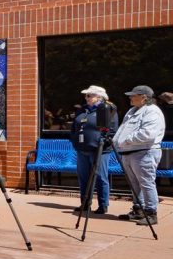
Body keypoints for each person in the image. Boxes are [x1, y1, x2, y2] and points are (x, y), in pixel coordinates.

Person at [113, 85, 166, 225]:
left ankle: (151, 213)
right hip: (129, 152)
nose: (130, 97)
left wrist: (125, 141)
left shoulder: (152, 111)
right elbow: (122, 129)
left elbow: (147, 134)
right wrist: (116, 141)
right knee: (134, 184)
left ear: (144, 97)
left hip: (144, 153)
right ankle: (138, 210)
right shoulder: (133, 110)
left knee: (146, 183)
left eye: (133, 95)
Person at [69, 85, 118, 214]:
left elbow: (112, 131)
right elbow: (74, 126)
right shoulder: (82, 110)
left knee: (100, 177)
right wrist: (74, 139)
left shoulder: (108, 109)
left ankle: (103, 205)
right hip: (82, 149)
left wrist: (102, 143)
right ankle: (85, 204)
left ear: (99, 97)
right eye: (86, 95)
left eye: (89, 95)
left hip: (100, 150)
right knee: (83, 177)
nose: (86, 98)